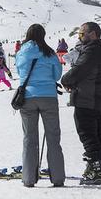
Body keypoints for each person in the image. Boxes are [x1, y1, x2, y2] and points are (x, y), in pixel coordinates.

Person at [61, 22, 101, 185]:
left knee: (87, 134)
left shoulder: (92, 50)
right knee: (99, 133)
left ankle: (97, 169)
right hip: (99, 100)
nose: (80, 36)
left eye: (82, 33)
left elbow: (79, 70)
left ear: (92, 34)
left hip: (88, 100)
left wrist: (66, 79)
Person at [15, 24, 65, 187]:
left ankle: (28, 178)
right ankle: (57, 178)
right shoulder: (49, 52)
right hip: (49, 96)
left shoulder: (21, 51)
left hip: (27, 97)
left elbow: (20, 72)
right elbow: (57, 75)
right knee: (53, 137)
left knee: (29, 138)